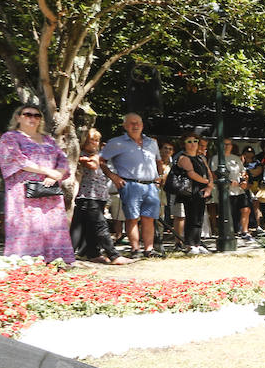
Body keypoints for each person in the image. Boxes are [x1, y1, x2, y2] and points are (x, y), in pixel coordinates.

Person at [0, 105, 75, 263]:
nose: (32, 118)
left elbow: (62, 160)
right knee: (27, 225)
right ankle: (25, 263)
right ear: (18, 117)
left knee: (52, 226)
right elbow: (16, 160)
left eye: (37, 115)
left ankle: (56, 262)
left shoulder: (48, 140)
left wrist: (56, 175)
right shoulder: (10, 137)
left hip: (50, 191)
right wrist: (48, 171)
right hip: (23, 192)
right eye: (27, 114)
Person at [100, 112, 163, 258]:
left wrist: (159, 177)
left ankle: (149, 250)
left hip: (151, 185)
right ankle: (135, 249)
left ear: (142, 125)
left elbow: (158, 161)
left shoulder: (151, 142)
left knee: (149, 218)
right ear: (125, 125)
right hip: (130, 184)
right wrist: (113, 176)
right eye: (131, 123)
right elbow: (101, 160)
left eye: (138, 123)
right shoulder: (116, 142)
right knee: (132, 218)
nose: (135, 126)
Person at [71, 129, 132, 265]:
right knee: (100, 225)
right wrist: (95, 158)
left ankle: (92, 253)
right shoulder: (80, 155)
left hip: (99, 196)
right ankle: (113, 255)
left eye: (96, 140)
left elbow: (103, 169)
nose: (94, 143)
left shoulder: (98, 156)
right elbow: (92, 165)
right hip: (86, 196)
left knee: (89, 227)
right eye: (90, 140)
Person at [173, 134, 212, 253]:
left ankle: (197, 242)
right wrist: (207, 182)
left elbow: (208, 172)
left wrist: (210, 186)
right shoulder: (183, 158)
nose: (193, 144)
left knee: (199, 217)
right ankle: (190, 244)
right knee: (190, 217)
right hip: (188, 192)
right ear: (184, 144)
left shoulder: (201, 158)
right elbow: (191, 174)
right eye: (189, 141)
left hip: (200, 192)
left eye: (195, 141)